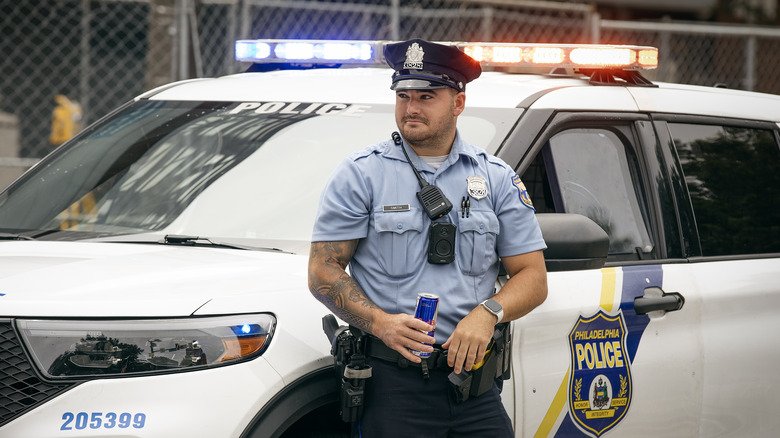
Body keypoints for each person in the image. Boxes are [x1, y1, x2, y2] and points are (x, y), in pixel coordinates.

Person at [308, 38, 548, 437]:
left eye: (426, 96)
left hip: (473, 385)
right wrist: (380, 323)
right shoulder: (361, 174)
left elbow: (533, 277)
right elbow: (322, 271)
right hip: (392, 385)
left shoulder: (495, 177)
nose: (411, 108)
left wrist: (487, 313)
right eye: (403, 96)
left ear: (458, 103)